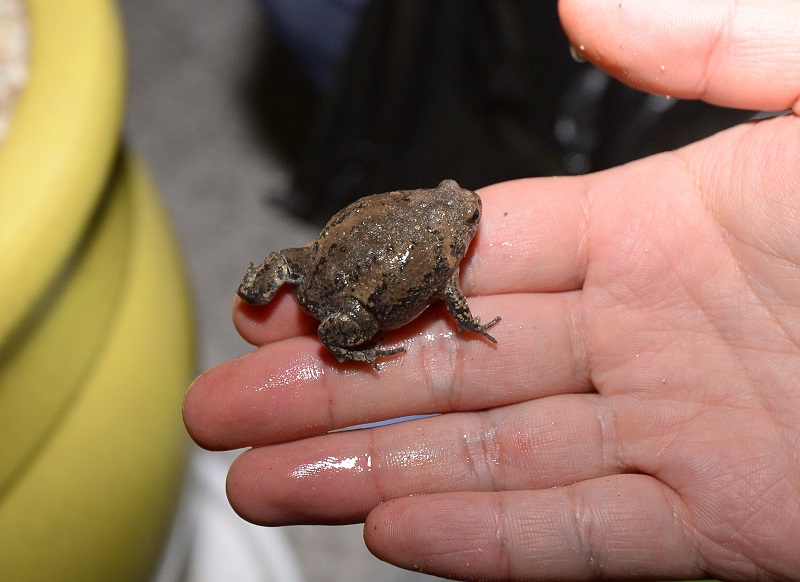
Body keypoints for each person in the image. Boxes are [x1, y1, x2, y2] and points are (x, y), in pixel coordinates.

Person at [184, 0, 800, 579]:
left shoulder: (421, 216)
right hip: (343, 292)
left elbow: (404, 259)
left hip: (322, 260)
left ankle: (284, 299)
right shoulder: (443, 263)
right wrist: (454, 326)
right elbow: (453, 305)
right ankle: (346, 343)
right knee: (339, 320)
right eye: (463, 212)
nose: (470, 208)